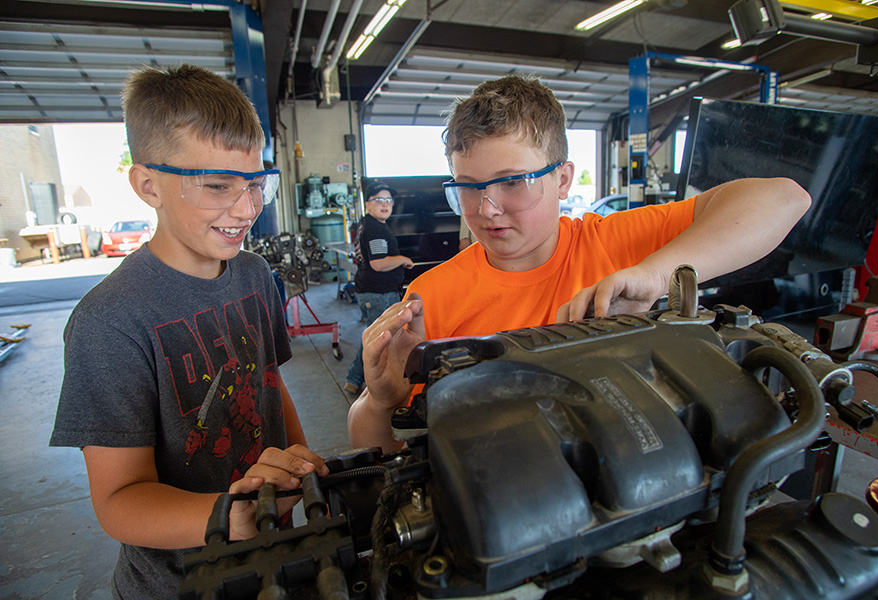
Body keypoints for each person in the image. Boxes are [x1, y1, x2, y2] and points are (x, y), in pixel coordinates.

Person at [348, 74, 811, 452]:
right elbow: (378, 461)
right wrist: (381, 403)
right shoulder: (433, 297)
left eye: (512, 182)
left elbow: (784, 198)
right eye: (468, 186)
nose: (487, 209)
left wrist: (655, 275)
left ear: (563, 178)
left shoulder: (614, 243)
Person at [49, 64, 327, 600]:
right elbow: (119, 501)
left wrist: (300, 463)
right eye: (218, 186)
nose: (245, 209)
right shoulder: (110, 320)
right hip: (181, 585)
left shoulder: (252, 275)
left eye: (254, 185)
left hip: (278, 557)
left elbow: (269, 384)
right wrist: (233, 515)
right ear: (147, 184)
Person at [343, 181, 413, 395]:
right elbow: (378, 263)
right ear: (368, 204)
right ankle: (369, 383)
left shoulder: (367, 224)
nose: (385, 204)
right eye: (378, 200)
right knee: (380, 339)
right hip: (379, 292)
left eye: (388, 200)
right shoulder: (376, 229)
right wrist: (402, 259)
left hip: (369, 290)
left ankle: (354, 379)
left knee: (374, 335)